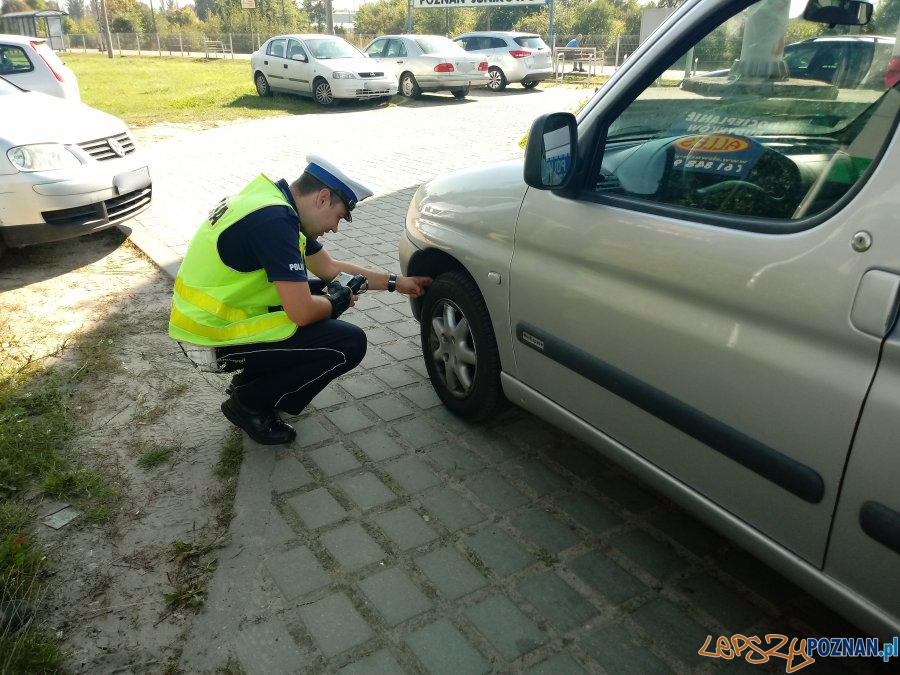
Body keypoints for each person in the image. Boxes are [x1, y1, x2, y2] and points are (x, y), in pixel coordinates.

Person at [169, 156, 432, 445]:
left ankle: (250, 383)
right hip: (209, 339)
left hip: (212, 323)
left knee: (321, 292)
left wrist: (395, 283)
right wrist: (337, 302)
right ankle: (249, 404)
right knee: (348, 343)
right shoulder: (275, 222)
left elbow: (331, 270)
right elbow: (303, 313)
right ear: (322, 198)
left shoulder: (271, 204)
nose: (335, 228)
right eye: (339, 216)